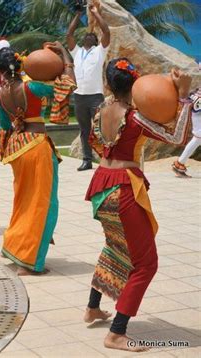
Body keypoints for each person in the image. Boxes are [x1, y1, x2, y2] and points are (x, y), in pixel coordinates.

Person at [84, 58, 192, 351]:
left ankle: (93, 307)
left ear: (107, 84)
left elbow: (98, 144)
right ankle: (117, 333)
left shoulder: (101, 110)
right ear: (136, 84)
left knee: (115, 245)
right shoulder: (133, 118)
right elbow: (178, 137)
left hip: (101, 183)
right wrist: (182, 97)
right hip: (122, 189)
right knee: (145, 263)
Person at [0, 44, 76, 275]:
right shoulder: (32, 88)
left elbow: (6, 127)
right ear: (20, 65)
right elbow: (67, 86)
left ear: (0, 70)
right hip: (36, 146)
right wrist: (64, 56)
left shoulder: (2, 96)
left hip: (18, 149)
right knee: (42, 204)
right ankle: (29, 260)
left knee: (23, 201)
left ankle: (15, 247)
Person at [67, 3, 110, 171]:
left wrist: (95, 12)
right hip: (79, 97)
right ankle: (87, 160)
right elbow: (69, 34)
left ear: (96, 41)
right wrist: (78, 14)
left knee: (101, 129)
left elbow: (106, 32)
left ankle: (106, 158)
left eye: (92, 35)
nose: (89, 35)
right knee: (84, 130)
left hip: (95, 97)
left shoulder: (100, 51)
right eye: (87, 35)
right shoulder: (76, 52)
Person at [172, 87, 200, 178]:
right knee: (197, 139)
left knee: (197, 140)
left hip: (197, 116)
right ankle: (179, 163)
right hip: (198, 117)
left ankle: (180, 163)